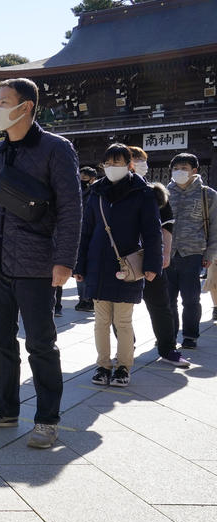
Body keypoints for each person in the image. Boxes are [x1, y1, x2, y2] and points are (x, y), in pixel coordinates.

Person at [0, 77, 82, 450]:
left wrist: (64, 260)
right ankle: (4, 409)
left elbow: (70, 209)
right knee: (0, 341)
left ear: (27, 106)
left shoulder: (56, 149)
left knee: (41, 344)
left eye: (4, 101)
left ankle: (47, 419)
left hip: (37, 263)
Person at [74, 144, 161, 387]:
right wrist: (79, 265)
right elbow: (86, 231)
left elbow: (152, 232)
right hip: (97, 264)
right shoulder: (96, 192)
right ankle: (103, 365)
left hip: (128, 265)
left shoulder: (143, 193)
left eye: (118, 162)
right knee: (101, 320)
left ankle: (123, 366)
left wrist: (153, 264)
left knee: (123, 321)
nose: (113, 168)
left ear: (130, 165)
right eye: (109, 163)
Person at [129, 146, 189, 367]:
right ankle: (126, 346)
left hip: (149, 257)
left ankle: (168, 348)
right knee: (121, 308)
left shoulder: (154, 191)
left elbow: (167, 225)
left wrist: (165, 253)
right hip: (121, 259)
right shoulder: (108, 191)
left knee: (159, 305)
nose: (140, 163)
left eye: (142, 159)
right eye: (135, 159)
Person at [164, 153, 217, 349]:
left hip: (193, 253)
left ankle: (190, 336)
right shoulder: (164, 193)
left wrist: (210, 254)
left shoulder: (207, 194)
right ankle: (168, 335)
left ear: (194, 171)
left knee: (191, 299)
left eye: (184, 168)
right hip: (167, 254)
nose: (179, 172)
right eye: (176, 168)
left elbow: (214, 227)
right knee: (167, 300)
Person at [75, 167, 98, 312]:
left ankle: (89, 298)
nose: (82, 179)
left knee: (89, 267)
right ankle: (82, 299)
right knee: (79, 267)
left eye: (86, 177)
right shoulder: (74, 191)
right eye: (81, 176)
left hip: (91, 233)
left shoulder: (95, 193)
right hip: (77, 232)